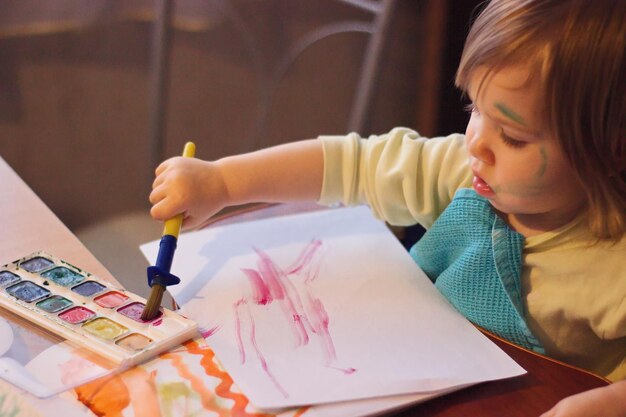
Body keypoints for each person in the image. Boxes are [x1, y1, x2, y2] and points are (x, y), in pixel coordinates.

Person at [149, 0, 625, 415]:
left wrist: (605, 404)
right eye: (475, 109)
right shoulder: (460, 169)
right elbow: (352, 163)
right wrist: (225, 181)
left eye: (514, 136)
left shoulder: (611, 268)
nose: (476, 143)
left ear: (609, 152)